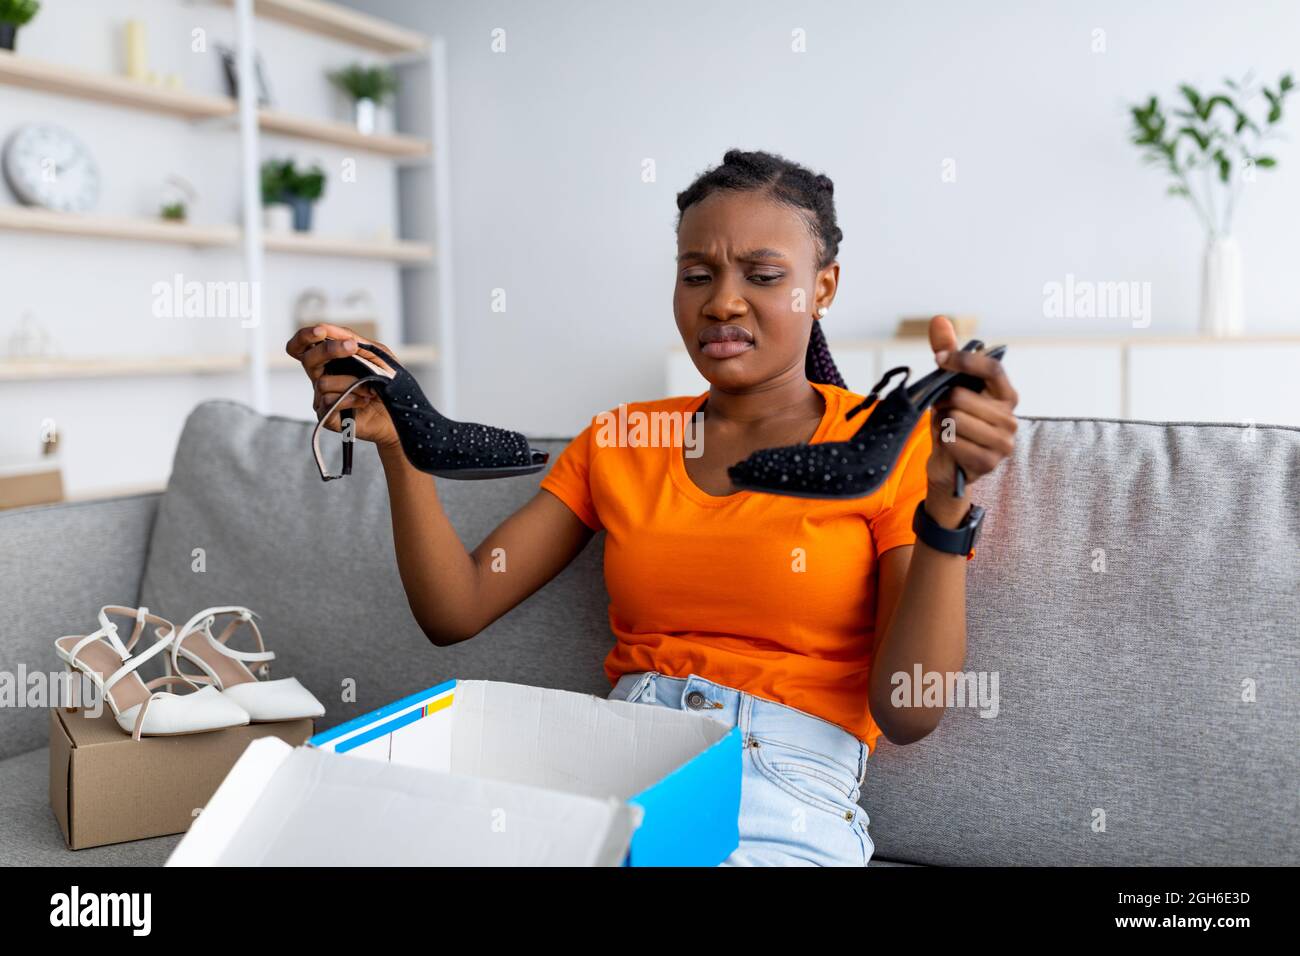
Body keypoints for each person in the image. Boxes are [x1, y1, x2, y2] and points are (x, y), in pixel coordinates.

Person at [286, 149, 1020, 866]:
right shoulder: (622, 440)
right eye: (696, 275)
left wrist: (947, 505)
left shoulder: (888, 452)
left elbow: (908, 711)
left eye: (763, 276)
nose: (722, 301)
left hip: (779, 787)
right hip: (609, 766)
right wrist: (399, 443)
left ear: (823, 288)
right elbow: (458, 609)